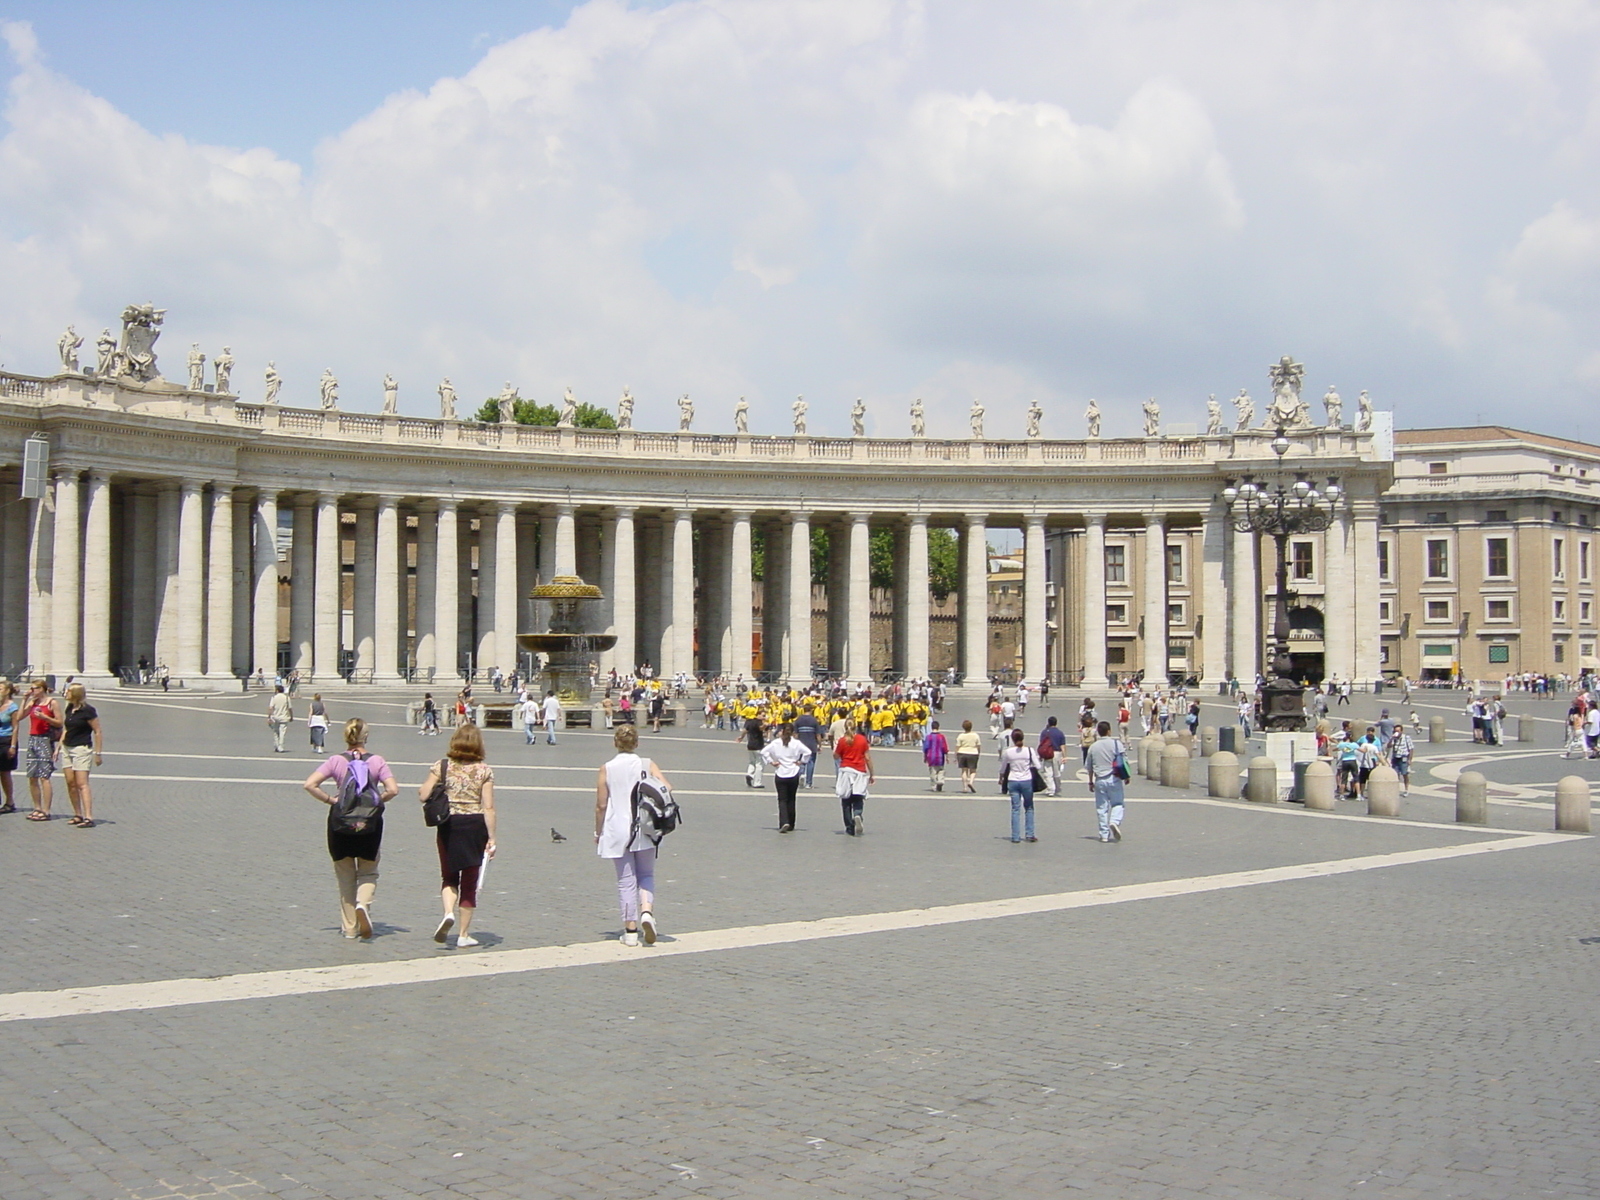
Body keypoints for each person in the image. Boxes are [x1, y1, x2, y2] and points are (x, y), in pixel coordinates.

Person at [301, 718, 399, 940]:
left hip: (340, 825)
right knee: (368, 871)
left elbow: (309, 784)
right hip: (369, 825)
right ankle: (362, 904)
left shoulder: (336, 761)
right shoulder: (377, 761)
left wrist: (331, 800)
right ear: (366, 736)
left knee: (345, 878)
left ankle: (349, 929)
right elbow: (393, 790)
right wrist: (376, 801)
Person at [418, 724, 497, 949]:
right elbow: (489, 807)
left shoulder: (441, 766)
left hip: (448, 824)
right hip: (474, 825)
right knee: (470, 882)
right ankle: (463, 934)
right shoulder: (484, 771)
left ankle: (447, 913)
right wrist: (492, 838)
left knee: (449, 876)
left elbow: (423, 794)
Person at [595, 723, 672, 946]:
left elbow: (601, 805)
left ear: (615, 743)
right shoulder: (647, 764)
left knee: (625, 881)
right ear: (636, 743)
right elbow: (667, 787)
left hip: (617, 828)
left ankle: (630, 932)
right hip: (646, 826)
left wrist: (597, 832)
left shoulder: (606, 768)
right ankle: (646, 912)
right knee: (646, 874)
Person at [14, 680, 63, 821]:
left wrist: (45, 717)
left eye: (34, 688)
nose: (32, 690)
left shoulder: (51, 703)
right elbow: (19, 717)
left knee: (44, 776)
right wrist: (25, 700)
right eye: (31, 688)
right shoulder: (33, 702)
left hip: (45, 739)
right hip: (33, 739)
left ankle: (46, 810)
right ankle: (37, 807)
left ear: (42, 689)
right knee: (32, 776)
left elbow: (60, 722)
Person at [58, 683, 103, 828]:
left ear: (76, 693)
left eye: (69, 691)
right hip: (67, 747)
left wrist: (98, 753)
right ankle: (77, 814)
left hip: (81, 748)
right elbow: (66, 728)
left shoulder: (88, 711)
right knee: (70, 783)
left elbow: (97, 731)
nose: (66, 693)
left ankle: (88, 816)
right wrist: (58, 746)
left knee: (82, 783)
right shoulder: (70, 708)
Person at [762, 722, 811, 832]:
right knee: (792, 799)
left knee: (782, 800)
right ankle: (792, 824)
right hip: (793, 772)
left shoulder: (776, 743)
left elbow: (764, 751)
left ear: (781, 731)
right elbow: (808, 752)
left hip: (780, 772)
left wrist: (771, 762)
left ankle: (784, 822)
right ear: (793, 732)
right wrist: (801, 761)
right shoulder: (796, 743)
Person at [1084, 720, 1126, 842]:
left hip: (1099, 779)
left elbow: (1089, 767)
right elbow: (1124, 761)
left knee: (1101, 808)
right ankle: (1114, 821)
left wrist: (1090, 782)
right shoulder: (1117, 744)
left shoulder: (1093, 746)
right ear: (1109, 731)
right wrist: (1127, 776)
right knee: (1118, 803)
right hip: (1114, 778)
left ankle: (1104, 834)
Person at [999, 727, 1041, 844]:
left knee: (1015, 809)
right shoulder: (1029, 750)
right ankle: (1029, 834)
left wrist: (1001, 778)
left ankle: (1015, 836)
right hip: (1026, 780)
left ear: (1012, 739)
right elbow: (1038, 766)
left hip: (1013, 780)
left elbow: (1003, 768)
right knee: (1029, 807)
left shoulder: (1008, 752)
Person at [833, 719, 874, 835]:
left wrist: (837, 749)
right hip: (859, 771)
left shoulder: (842, 741)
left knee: (845, 800)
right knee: (858, 797)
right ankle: (857, 814)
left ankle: (849, 827)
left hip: (846, 770)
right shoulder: (862, 740)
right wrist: (872, 774)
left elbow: (836, 756)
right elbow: (867, 758)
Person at [792, 706, 822, 788]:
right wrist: (819, 744)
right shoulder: (814, 720)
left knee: (801, 762)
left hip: (801, 744)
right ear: (811, 710)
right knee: (811, 763)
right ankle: (808, 783)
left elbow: (795, 734)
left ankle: (801, 775)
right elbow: (818, 735)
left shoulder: (798, 720)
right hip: (812, 744)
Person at [1037, 715, 1066, 795]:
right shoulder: (1059, 733)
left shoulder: (1044, 732)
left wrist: (1040, 755)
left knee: (1048, 772)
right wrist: (1064, 756)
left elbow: (1042, 744)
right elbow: (1062, 746)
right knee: (1056, 772)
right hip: (1057, 753)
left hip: (1047, 753)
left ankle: (1051, 789)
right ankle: (1057, 788)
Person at [0, 681, 17, 813]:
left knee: (5, 772)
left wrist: (13, 745)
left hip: (6, 740)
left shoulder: (12, 707)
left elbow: (15, 727)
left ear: (7, 691)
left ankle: (9, 801)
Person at [954, 719, 982, 793]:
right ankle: (971, 782)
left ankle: (965, 787)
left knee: (964, 770)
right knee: (973, 770)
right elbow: (978, 745)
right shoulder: (975, 735)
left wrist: (956, 755)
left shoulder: (961, 736)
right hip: (973, 753)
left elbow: (957, 746)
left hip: (962, 753)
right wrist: (978, 752)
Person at [1389, 722, 1415, 796]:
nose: (1396, 732)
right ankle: (1396, 789)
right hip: (1395, 758)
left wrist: (1410, 759)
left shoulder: (1406, 738)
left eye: (1398, 731)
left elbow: (1411, 749)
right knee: (1395, 774)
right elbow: (1388, 746)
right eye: (1395, 731)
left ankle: (1406, 789)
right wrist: (1391, 739)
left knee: (1405, 774)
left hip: (1403, 758)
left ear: (1401, 731)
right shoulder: (1394, 738)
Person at [741, 710, 766, 787]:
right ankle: (757, 782)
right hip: (758, 745)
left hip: (750, 745)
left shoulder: (749, 721)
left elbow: (745, 730)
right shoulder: (759, 722)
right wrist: (765, 725)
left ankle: (749, 774)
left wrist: (741, 737)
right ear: (758, 715)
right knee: (759, 764)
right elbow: (761, 728)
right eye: (763, 715)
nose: (764, 717)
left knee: (752, 762)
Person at [923, 720, 949, 791]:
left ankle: (934, 786)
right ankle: (940, 780)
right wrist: (947, 756)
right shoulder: (941, 737)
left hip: (931, 757)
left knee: (933, 772)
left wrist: (925, 757)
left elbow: (926, 748)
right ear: (938, 727)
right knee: (941, 770)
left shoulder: (928, 737)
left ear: (931, 727)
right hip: (940, 756)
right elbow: (945, 747)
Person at [266, 684, 293, 753]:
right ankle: (280, 746)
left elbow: (271, 708)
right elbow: (290, 708)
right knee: (282, 733)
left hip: (276, 717)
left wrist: (269, 716)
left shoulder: (274, 698)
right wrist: (291, 716)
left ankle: (276, 745)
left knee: (276, 732)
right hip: (284, 717)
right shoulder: (286, 698)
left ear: (277, 690)